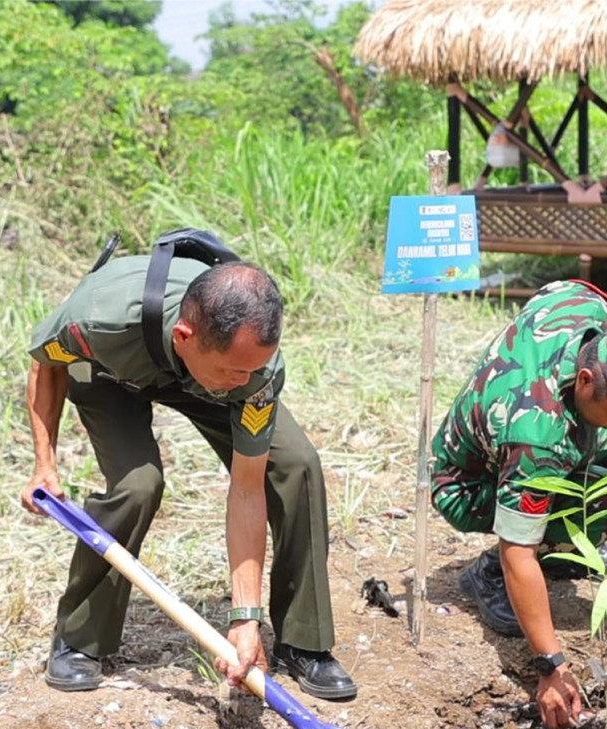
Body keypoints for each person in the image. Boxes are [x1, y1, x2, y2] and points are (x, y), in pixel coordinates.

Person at [21, 242, 357, 701]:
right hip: (111, 370)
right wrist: (45, 463)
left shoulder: (251, 370)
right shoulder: (97, 320)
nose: (247, 381)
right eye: (238, 371)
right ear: (184, 336)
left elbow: (246, 490)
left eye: (253, 370)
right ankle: (79, 639)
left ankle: (303, 641)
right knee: (137, 485)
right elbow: (46, 364)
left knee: (296, 465)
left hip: (202, 371)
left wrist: (244, 617)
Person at [431, 279, 607, 729]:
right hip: (468, 483)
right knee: (585, 517)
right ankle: (487, 574)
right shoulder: (536, 433)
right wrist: (551, 664)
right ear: (585, 380)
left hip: (531, 439)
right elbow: (518, 550)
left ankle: (566, 550)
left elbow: (566, 288)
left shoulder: (586, 311)